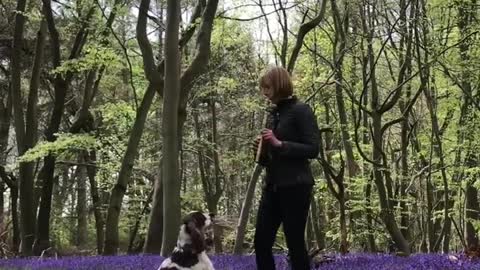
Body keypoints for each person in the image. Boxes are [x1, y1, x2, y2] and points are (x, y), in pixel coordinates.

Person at [253, 66, 320, 270]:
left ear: (279, 84)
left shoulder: (301, 110)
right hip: (272, 187)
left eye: (267, 86)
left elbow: (313, 148)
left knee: (295, 243)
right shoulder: (274, 115)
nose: (264, 91)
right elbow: (271, 157)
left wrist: (280, 144)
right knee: (261, 242)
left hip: (296, 187)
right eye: (262, 87)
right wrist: (261, 151)